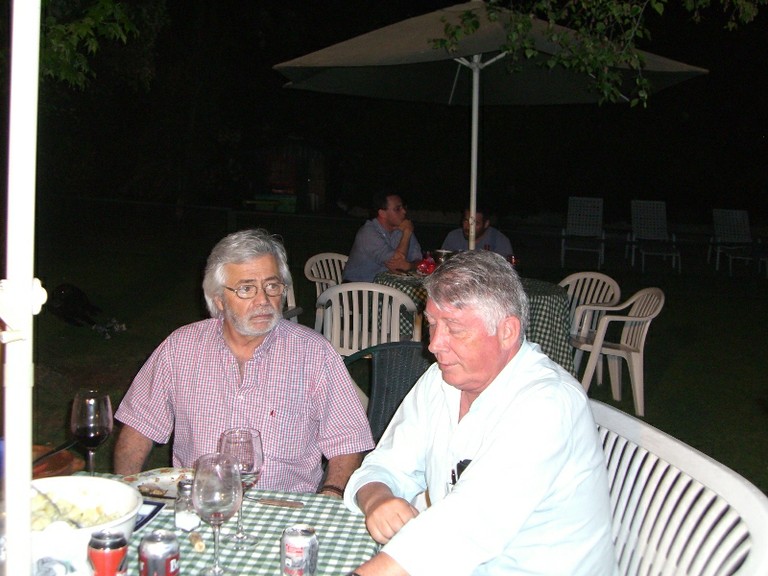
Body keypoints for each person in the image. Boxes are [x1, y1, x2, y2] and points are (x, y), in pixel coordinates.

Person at [343, 251, 617, 575]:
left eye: (454, 328)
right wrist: (377, 499)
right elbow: (387, 463)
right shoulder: (441, 381)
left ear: (507, 332)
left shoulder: (547, 404)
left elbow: (466, 527)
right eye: (432, 324)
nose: (434, 344)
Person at [114, 228, 374, 496]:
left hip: (284, 506)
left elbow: (348, 439)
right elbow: (138, 426)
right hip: (201, 502)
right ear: (219, 299)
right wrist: (125, 493)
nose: (263, 300)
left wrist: (331, 493)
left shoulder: (314, 353)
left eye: (272, 286)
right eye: (246, 288)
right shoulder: (180, 348)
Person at [343, 191, 423, 282]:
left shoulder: (403, 228)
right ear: (382, 213)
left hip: (386, 285)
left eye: (404, 207)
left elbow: (419, 261)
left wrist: (410, 266)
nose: (404, 211)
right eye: (397, 209)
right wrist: (407, 234)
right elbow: (397, 266)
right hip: (358, 286)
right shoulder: (368, 233)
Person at [441, 206, 513, 257]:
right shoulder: (453, 237)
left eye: (475, 223)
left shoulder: (499, 241)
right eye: (466, 221)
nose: (469, 226)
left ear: (486, 224)